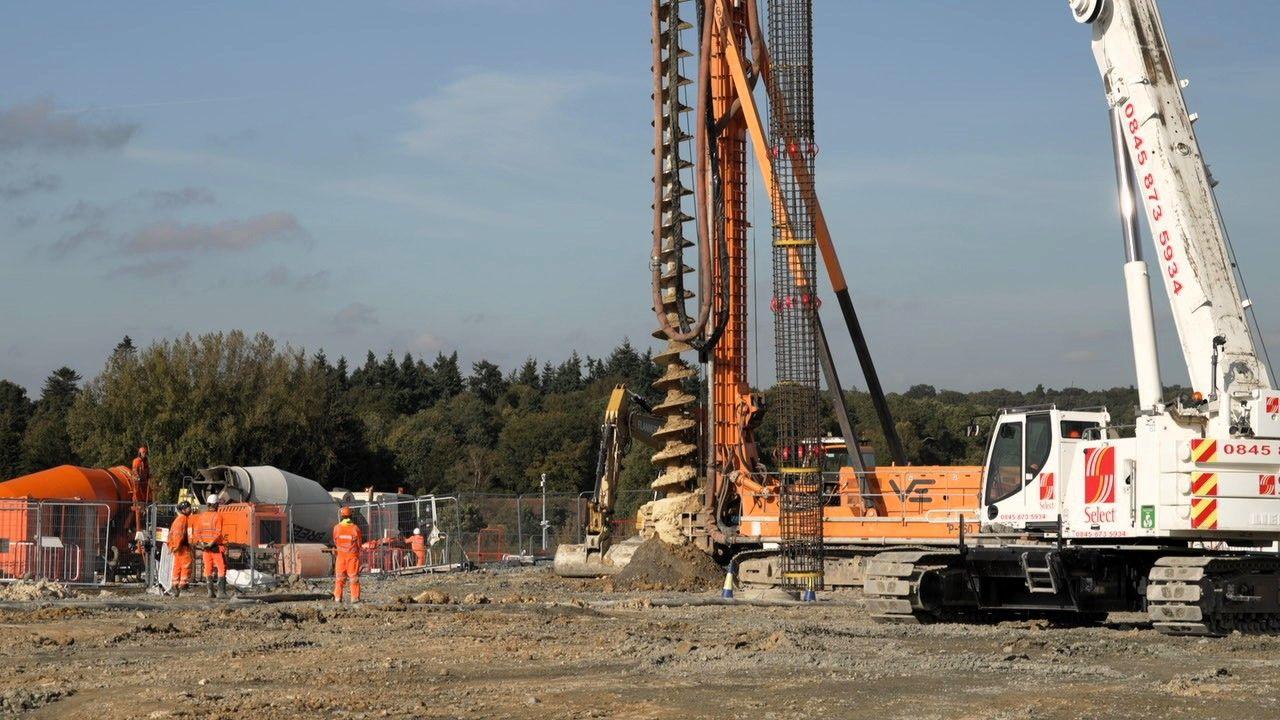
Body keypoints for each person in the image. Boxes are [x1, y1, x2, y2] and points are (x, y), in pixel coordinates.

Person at [193, 494, 228, 599]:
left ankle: (210, 592)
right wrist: (211, 544)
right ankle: (221, 593)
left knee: (208, 568)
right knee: (222, 568)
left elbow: (197, 532)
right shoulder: (218, 516)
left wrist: (203, 543)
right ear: (216, 505)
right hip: (215, 547)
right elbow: (218, 533)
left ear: (208, 504)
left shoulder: (202, 516)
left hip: (205, 549)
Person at [332, 506, 363, 604]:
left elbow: (335, 541)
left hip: (341, 557)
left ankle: (337, 598)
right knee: (353, 578)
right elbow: (359, 544)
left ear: (341, 516)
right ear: (351, 516)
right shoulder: (355, 528)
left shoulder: (336, 528)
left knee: (339, 578)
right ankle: (354, 598)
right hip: (352, 557)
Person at [167, 501, 194, 597]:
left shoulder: (177, 519)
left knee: (177, 567)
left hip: (177, 547)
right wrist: (177, 545)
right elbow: (179, 534)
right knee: (186, 566)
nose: (190, 509)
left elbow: (171, 534)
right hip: (182, 547)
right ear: (183, 510)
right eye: (188, 508)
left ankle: (175, 585)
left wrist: (172, 546)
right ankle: (183, 586)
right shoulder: (183, 519)